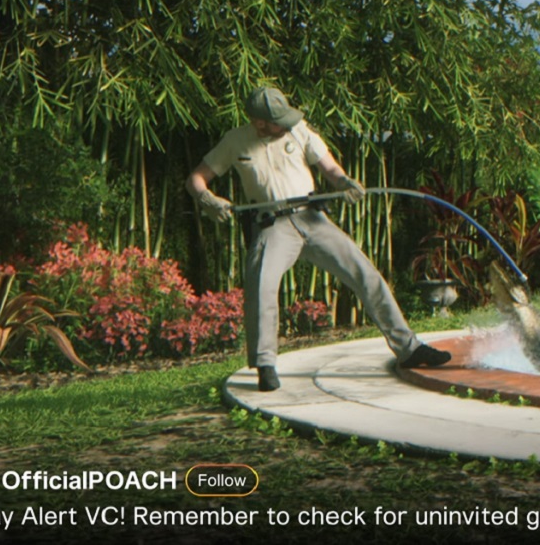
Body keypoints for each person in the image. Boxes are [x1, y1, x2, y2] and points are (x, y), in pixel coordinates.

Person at [186, 87, 451, 391]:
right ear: (259, 123)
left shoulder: (298, 130)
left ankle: (409, 349)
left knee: (365, 273)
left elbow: (331, 169)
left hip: (312, 218)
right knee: (261, 284)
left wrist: (346, 183)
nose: (285, 124)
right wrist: (208, 199)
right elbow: (196, 178)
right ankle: (265, 364)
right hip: (272, 225)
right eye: (277, 121)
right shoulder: (235, 140)